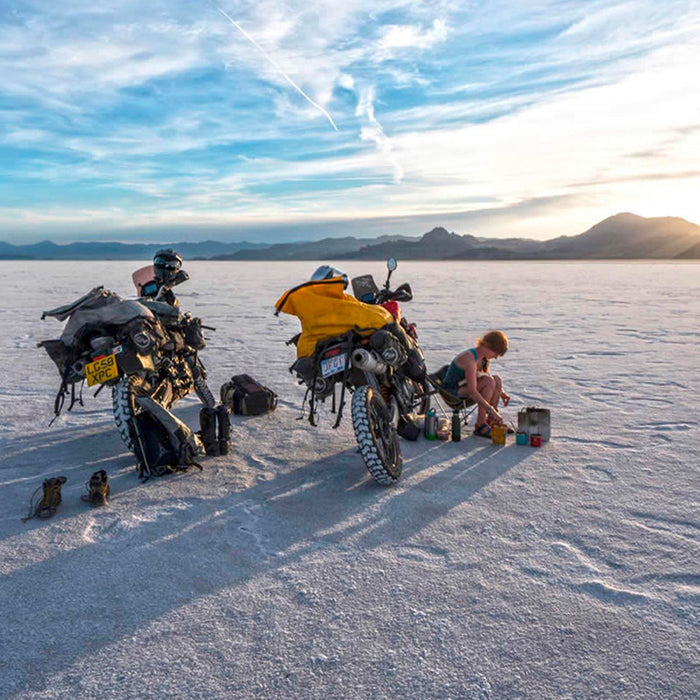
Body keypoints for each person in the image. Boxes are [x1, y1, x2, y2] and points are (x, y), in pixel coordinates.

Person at [442, 330, 511, 438]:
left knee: (496, 379)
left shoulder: (482, 358)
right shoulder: (469, 358)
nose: (496, 357)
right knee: (489, 382)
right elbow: (472, 391)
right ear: (488, 346)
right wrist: (490, 410)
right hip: (452, 391)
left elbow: (482, 376)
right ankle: (480, 425)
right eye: (496, 353)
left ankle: (492, 421)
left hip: (463, 386)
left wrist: (501, 393)